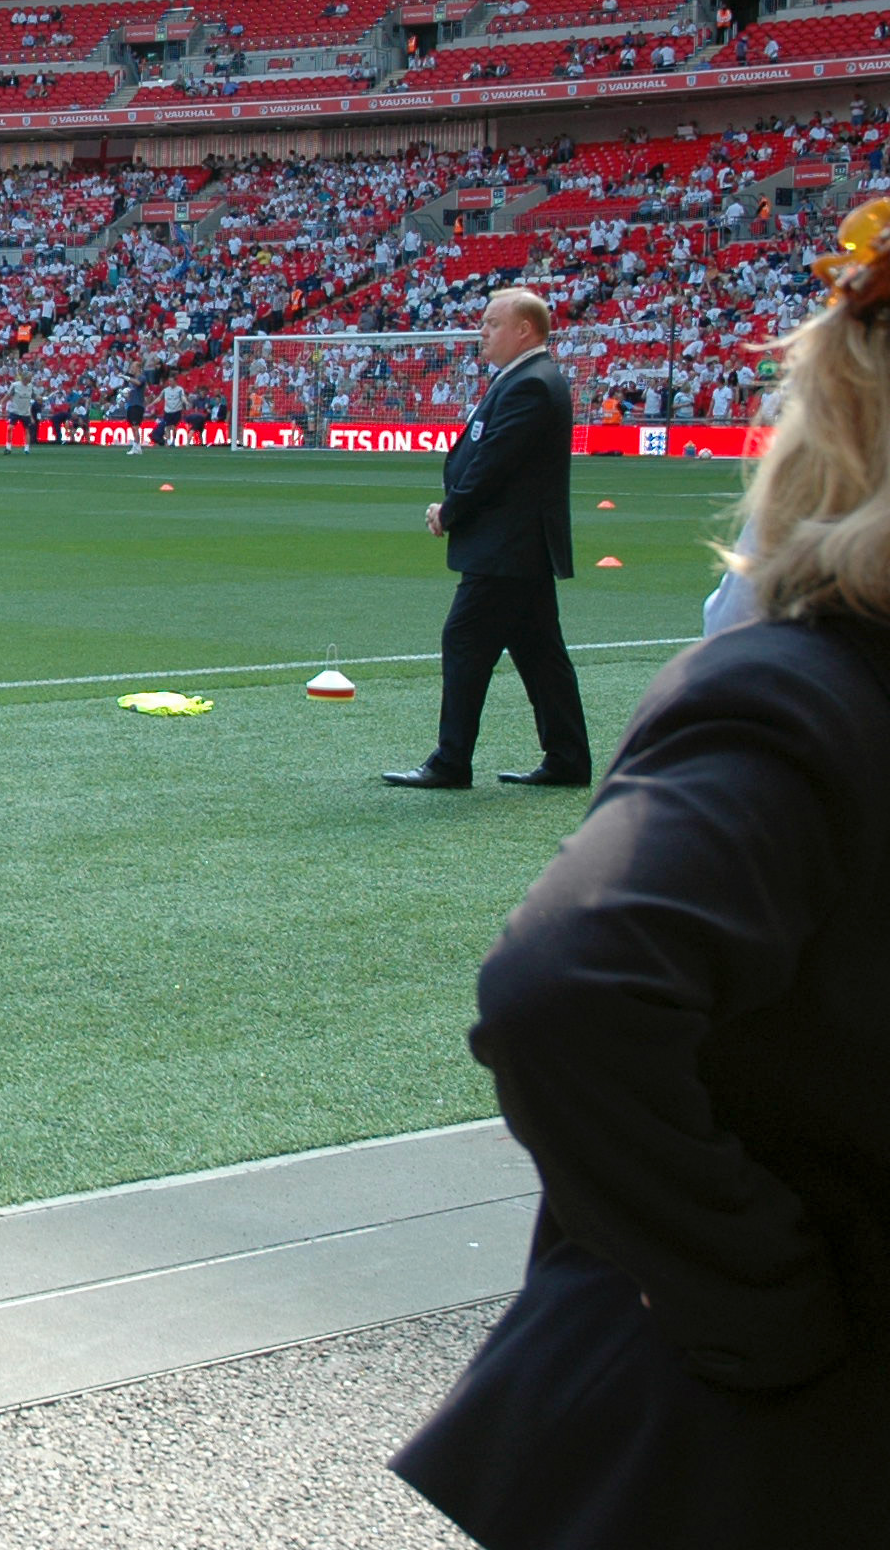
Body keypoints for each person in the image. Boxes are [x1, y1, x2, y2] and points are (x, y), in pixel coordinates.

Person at [391, 199, 890, 1547]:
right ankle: (496, 750)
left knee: (502, 669)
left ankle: (473, 753)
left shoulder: (796, 700)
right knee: (519, 675)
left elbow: (565, 991)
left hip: (762, 1444)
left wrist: (760, 1300)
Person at [385, 288, 590, 790]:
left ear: (524, 330)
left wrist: (450, 511)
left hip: (508, 548)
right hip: (519, 548)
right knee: (541, 652)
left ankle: (452, 761)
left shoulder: (532, 385)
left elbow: (493, 464)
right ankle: (567, 758)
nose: (482, 332)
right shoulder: (526, 379)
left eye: (492, 324)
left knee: (465, 641)